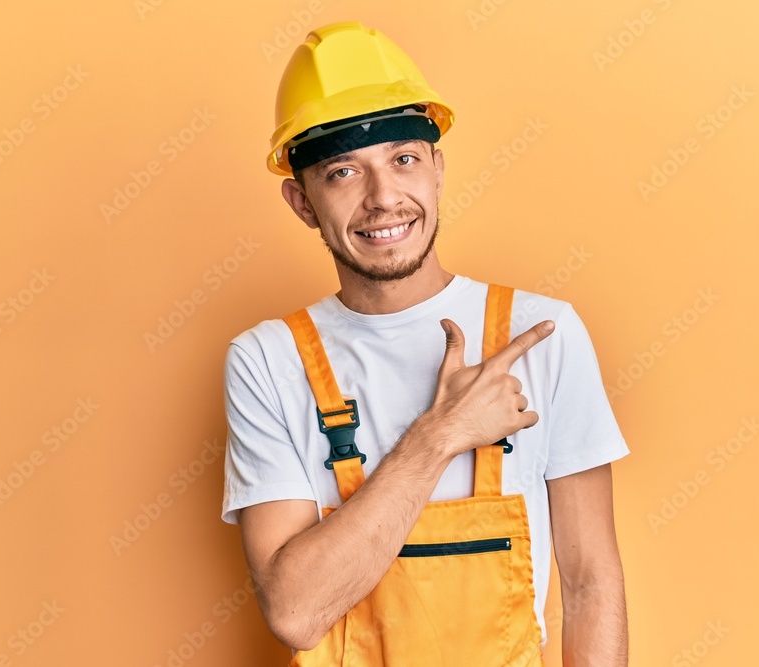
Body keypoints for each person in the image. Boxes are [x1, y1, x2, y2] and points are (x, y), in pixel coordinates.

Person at [220, 20, 630, 666]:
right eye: (344, 172)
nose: (385, 199)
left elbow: (590, 584)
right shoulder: (268, 361)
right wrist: (442, 433)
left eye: (404, 159)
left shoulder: (541, 336)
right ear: (301, 202)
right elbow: (295, 611)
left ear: (437, 169)